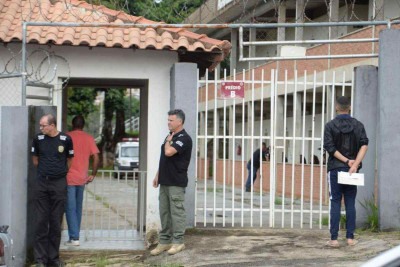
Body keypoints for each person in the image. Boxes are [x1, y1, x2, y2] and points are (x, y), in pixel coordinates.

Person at [323, 96, 368, 247]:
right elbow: (364, 145)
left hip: (335, 168)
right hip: (351, 171)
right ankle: (350, 238)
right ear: (349, 107)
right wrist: (354, 163)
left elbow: (330, 148)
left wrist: (346, 161)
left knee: (335, 201)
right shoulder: (358, 125)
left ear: (336, 107)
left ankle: (334, 239)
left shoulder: (330, 126)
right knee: (350, 203)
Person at [31, 114, 74, 267]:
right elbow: (35, 160)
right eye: (40, 125)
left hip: (59, 184)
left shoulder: (65, 139)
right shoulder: (38, 139)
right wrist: (46, 171)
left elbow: (69, 159)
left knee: (55, 222)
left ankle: (53, 259)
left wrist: (59, 173)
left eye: (43, 125)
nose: (41, 128)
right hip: (42, 183)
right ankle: (40, 260)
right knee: (41, 221)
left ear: (52, 125)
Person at [150, 109, 193, 256]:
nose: (168, 122)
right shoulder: (169, 136)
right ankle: (165, 241)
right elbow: (164, 158)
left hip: (176, 182)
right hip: (165, 180)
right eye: (168, 120)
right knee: (165, 213)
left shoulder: (184, 138)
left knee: (177, 213)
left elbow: (169, 152)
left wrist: (169, 141)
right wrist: (158, 175)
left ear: (179, 121)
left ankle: (178, 242)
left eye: (171, 120)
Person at [65, 115, 99, 246]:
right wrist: (93, 174)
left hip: (68, 178)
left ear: (72, 124)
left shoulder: (66, 137)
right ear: (83, 125)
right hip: (82, 178)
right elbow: (96, 158)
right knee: (77, 208)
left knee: (70, 208)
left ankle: (74, 237)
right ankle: (75, 236)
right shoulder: (89, 138)